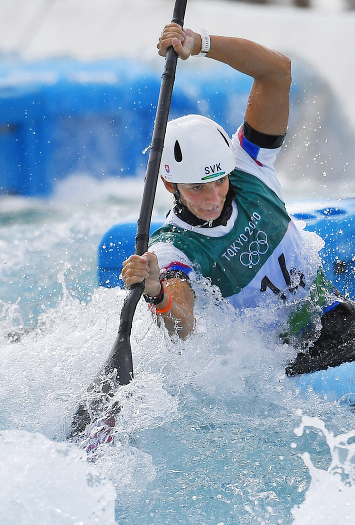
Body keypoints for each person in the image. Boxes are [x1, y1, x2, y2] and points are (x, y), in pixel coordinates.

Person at [121, 23, 339, 341]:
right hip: (288, 360)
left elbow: (278, 71)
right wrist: (156, 294)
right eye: (197, 187)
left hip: (335, 314)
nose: (213, 197)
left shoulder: (247, 164)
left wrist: (201, 43)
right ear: (171, 186)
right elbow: (185, 330)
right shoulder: (174, 249)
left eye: (219, 182)